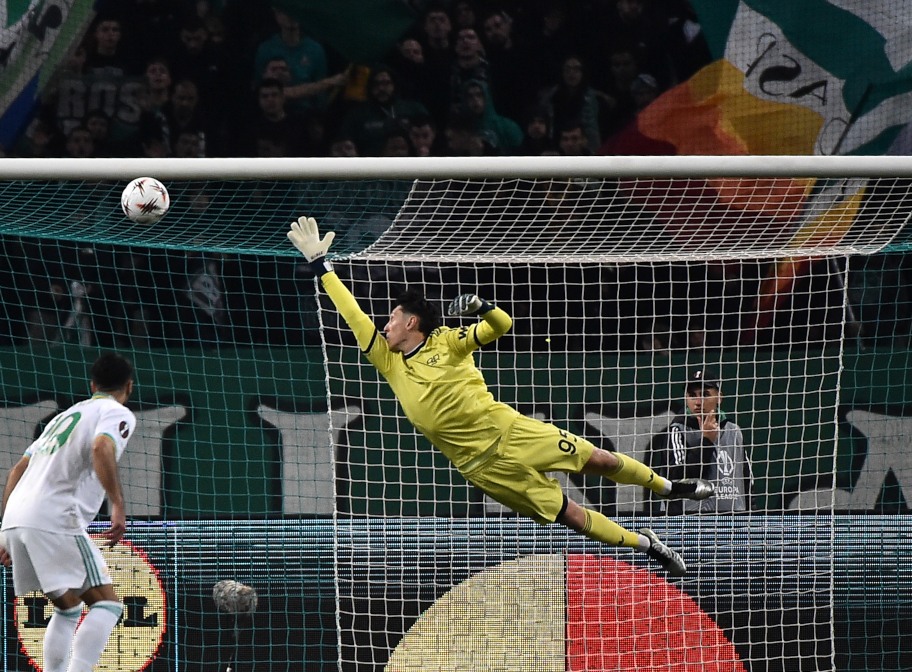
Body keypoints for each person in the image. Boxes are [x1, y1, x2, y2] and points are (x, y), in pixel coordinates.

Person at [286, 217, 711, 576]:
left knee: (599, 459)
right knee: (571, 517)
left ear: (412, 321)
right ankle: (648, 545)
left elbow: (501, 326)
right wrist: (321, 265)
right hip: (480, 466)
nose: (384, 325)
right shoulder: (388, 359)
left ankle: (668, 487)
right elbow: (353, 315)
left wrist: (482, 307)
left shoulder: (448, 341)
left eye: (392, 318)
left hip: (510, 431)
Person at [0, 352, 137, 672]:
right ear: (129, 387)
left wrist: (6, 529)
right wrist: (117, 505)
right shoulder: (117, 414)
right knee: (107, 605)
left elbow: (16, 471)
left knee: (69, 609)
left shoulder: (62, 417)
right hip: (56, 517)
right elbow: (101, 448)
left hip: (20, 517)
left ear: (91, 386)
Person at [654, 368, 752, 514]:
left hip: (733, 521)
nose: (698, 402)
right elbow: (675, 480)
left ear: (719, 397)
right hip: (689, 522)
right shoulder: (677, 430)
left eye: (705, 395)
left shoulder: (734, 431)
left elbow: (747, 481)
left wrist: (752, 516)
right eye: (692, 395)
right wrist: (706, 440)